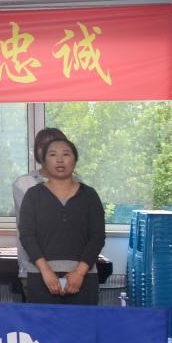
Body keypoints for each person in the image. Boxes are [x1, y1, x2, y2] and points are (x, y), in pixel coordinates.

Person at [18, 138, 105, 305]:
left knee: (81, 322)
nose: (59, 160)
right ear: (44, 162)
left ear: (75, 160)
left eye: (66, 154)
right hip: (41, 277)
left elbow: (97, 237)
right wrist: (45, 271)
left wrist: (79, 273)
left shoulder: (89, 196)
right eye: (52, 155)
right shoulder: (33, 195)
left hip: (83, 279)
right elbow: (27, 236)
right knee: (42, 323)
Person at [12, 128, 70, 290]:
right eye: (43, 145)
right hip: (34, 266)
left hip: (71, 267)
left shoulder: (79, 184)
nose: (49, 149)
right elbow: (32, 226)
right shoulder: (24, 183)